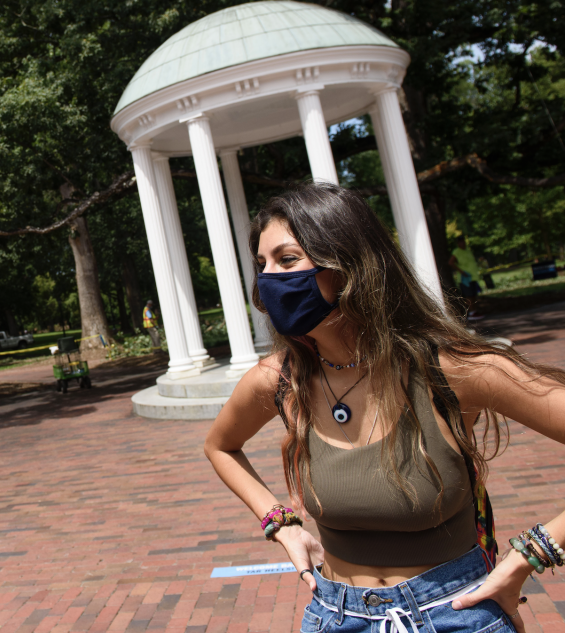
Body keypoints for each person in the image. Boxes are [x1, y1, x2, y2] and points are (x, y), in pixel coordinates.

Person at [204, 183, 565, 633]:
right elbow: (221, 446)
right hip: (334, 615)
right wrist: (281, 524)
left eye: (287, 259)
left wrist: (533, 553)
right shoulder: (280, 380)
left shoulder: (451, 370)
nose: (268, 278)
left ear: (348, 263)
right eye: (262, 265)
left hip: (455, 614)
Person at [449, 236, 484, 321]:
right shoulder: (457, 252)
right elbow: (451, 262)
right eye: (460, 242)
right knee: (469, 296)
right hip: (465, 278)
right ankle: (471, 313)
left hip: (472, 277)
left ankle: (474, 311)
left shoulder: (468, 251)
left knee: (473, 295)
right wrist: (461, 272)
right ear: (458, 243)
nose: (463, 243)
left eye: (463, 241)